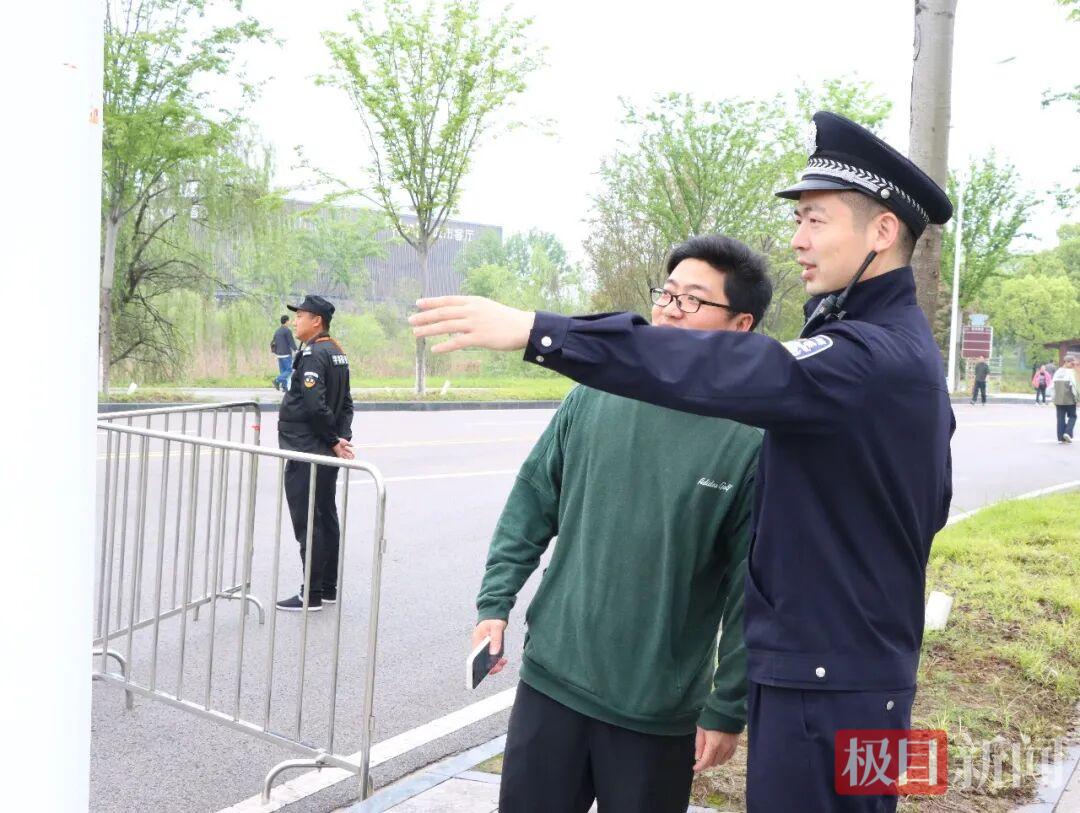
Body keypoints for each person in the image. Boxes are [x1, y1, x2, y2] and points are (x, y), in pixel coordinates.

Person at [410, 111, 955, 812]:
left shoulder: (871, 357)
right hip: (839, 676)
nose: (797, 238)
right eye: (798, 219)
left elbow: (724, 370)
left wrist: (538, 331)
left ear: (881, 231)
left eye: (815, 219)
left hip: (833, 688)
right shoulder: (883, 347)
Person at [477, 235, 770, 813]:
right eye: (667, 294)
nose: (670, 309)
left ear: (740, 326)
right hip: (552, 680)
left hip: (654, 709)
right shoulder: (596, 392)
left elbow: (750, 590)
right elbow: (533, 500)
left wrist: (727, 706)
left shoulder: (752, 440)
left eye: (693, 300)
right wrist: (495, 602)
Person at [275, 295, 355, 612]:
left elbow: (314, 405)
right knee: (325, 515)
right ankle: (327, 587)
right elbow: (346, 403)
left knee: (309, 521)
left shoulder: (313, 355)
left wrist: (335, 440)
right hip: (323, 447)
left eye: (301, 316)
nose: (296, 321)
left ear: (316, 321)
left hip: (307, 447)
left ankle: (311, 594)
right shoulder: (336, 352)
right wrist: (341, 438)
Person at [1052, 355, 1078, 444]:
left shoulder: (1057, 372)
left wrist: (1053, 398)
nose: (1073, 365)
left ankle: (1061, 438)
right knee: (1072, 416)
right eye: (1072, 363)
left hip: (1058, 399)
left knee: (1060, 418)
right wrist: (1077, 398)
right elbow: (1074, 387)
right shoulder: (1071, 372)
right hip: (1069, 399)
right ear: (1067, 362)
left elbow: (1052, 387)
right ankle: (1067, 432)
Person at [271, 314, 298, 392]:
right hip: (286, 354)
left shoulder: (277, 331)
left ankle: (284, 387)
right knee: (289, 370)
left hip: (279, 355)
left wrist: (276, 351)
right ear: (286, 321)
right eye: (289, 321)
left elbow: (273, 342)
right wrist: (296, 350)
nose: (289, 322)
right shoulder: (287, 331)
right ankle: (277, 380)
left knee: (283, 371)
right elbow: (291, 341)